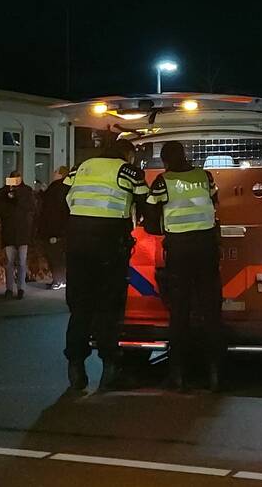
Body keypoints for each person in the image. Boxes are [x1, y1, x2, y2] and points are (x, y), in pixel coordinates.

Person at [62, 139, 148, 392]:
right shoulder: (128, 171)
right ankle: (110, 368)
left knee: (80, 308)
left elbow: (60, 197)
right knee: (108, 308)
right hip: (109, 247)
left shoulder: (81, 167)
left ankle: (75, 366)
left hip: (77, 246)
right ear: (127, 154)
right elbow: (148, 205)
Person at [144, 140, 223, 392]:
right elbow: (215, 202)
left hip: (179, 250)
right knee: (210, 310)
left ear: (165, 160)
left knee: (180, 311)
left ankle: (178, 375)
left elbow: (149, 215)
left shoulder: (162, 181)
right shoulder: (204, 176)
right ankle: (215, 374)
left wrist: (163, 230)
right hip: (207, 247)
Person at [0, 170, 37, 299]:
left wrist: (16, 195)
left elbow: (30, 207)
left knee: (21, 262)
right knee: (10, 262)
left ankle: (20, 288)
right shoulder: (4, 192)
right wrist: (7, 192)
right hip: (11, 231)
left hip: (21, 232)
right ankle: (10, 289)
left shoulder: (26, 191)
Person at [38, 165, 70, 290]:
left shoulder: (55, 187)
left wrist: (43, 193)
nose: (53, 173)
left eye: (56, 171)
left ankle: (58, 280)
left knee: (54, 255)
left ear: (61, 174)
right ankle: (61, 279)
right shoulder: (67, 188)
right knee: (59, 256)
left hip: (53, 229)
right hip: (62, 229)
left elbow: (50, 208)